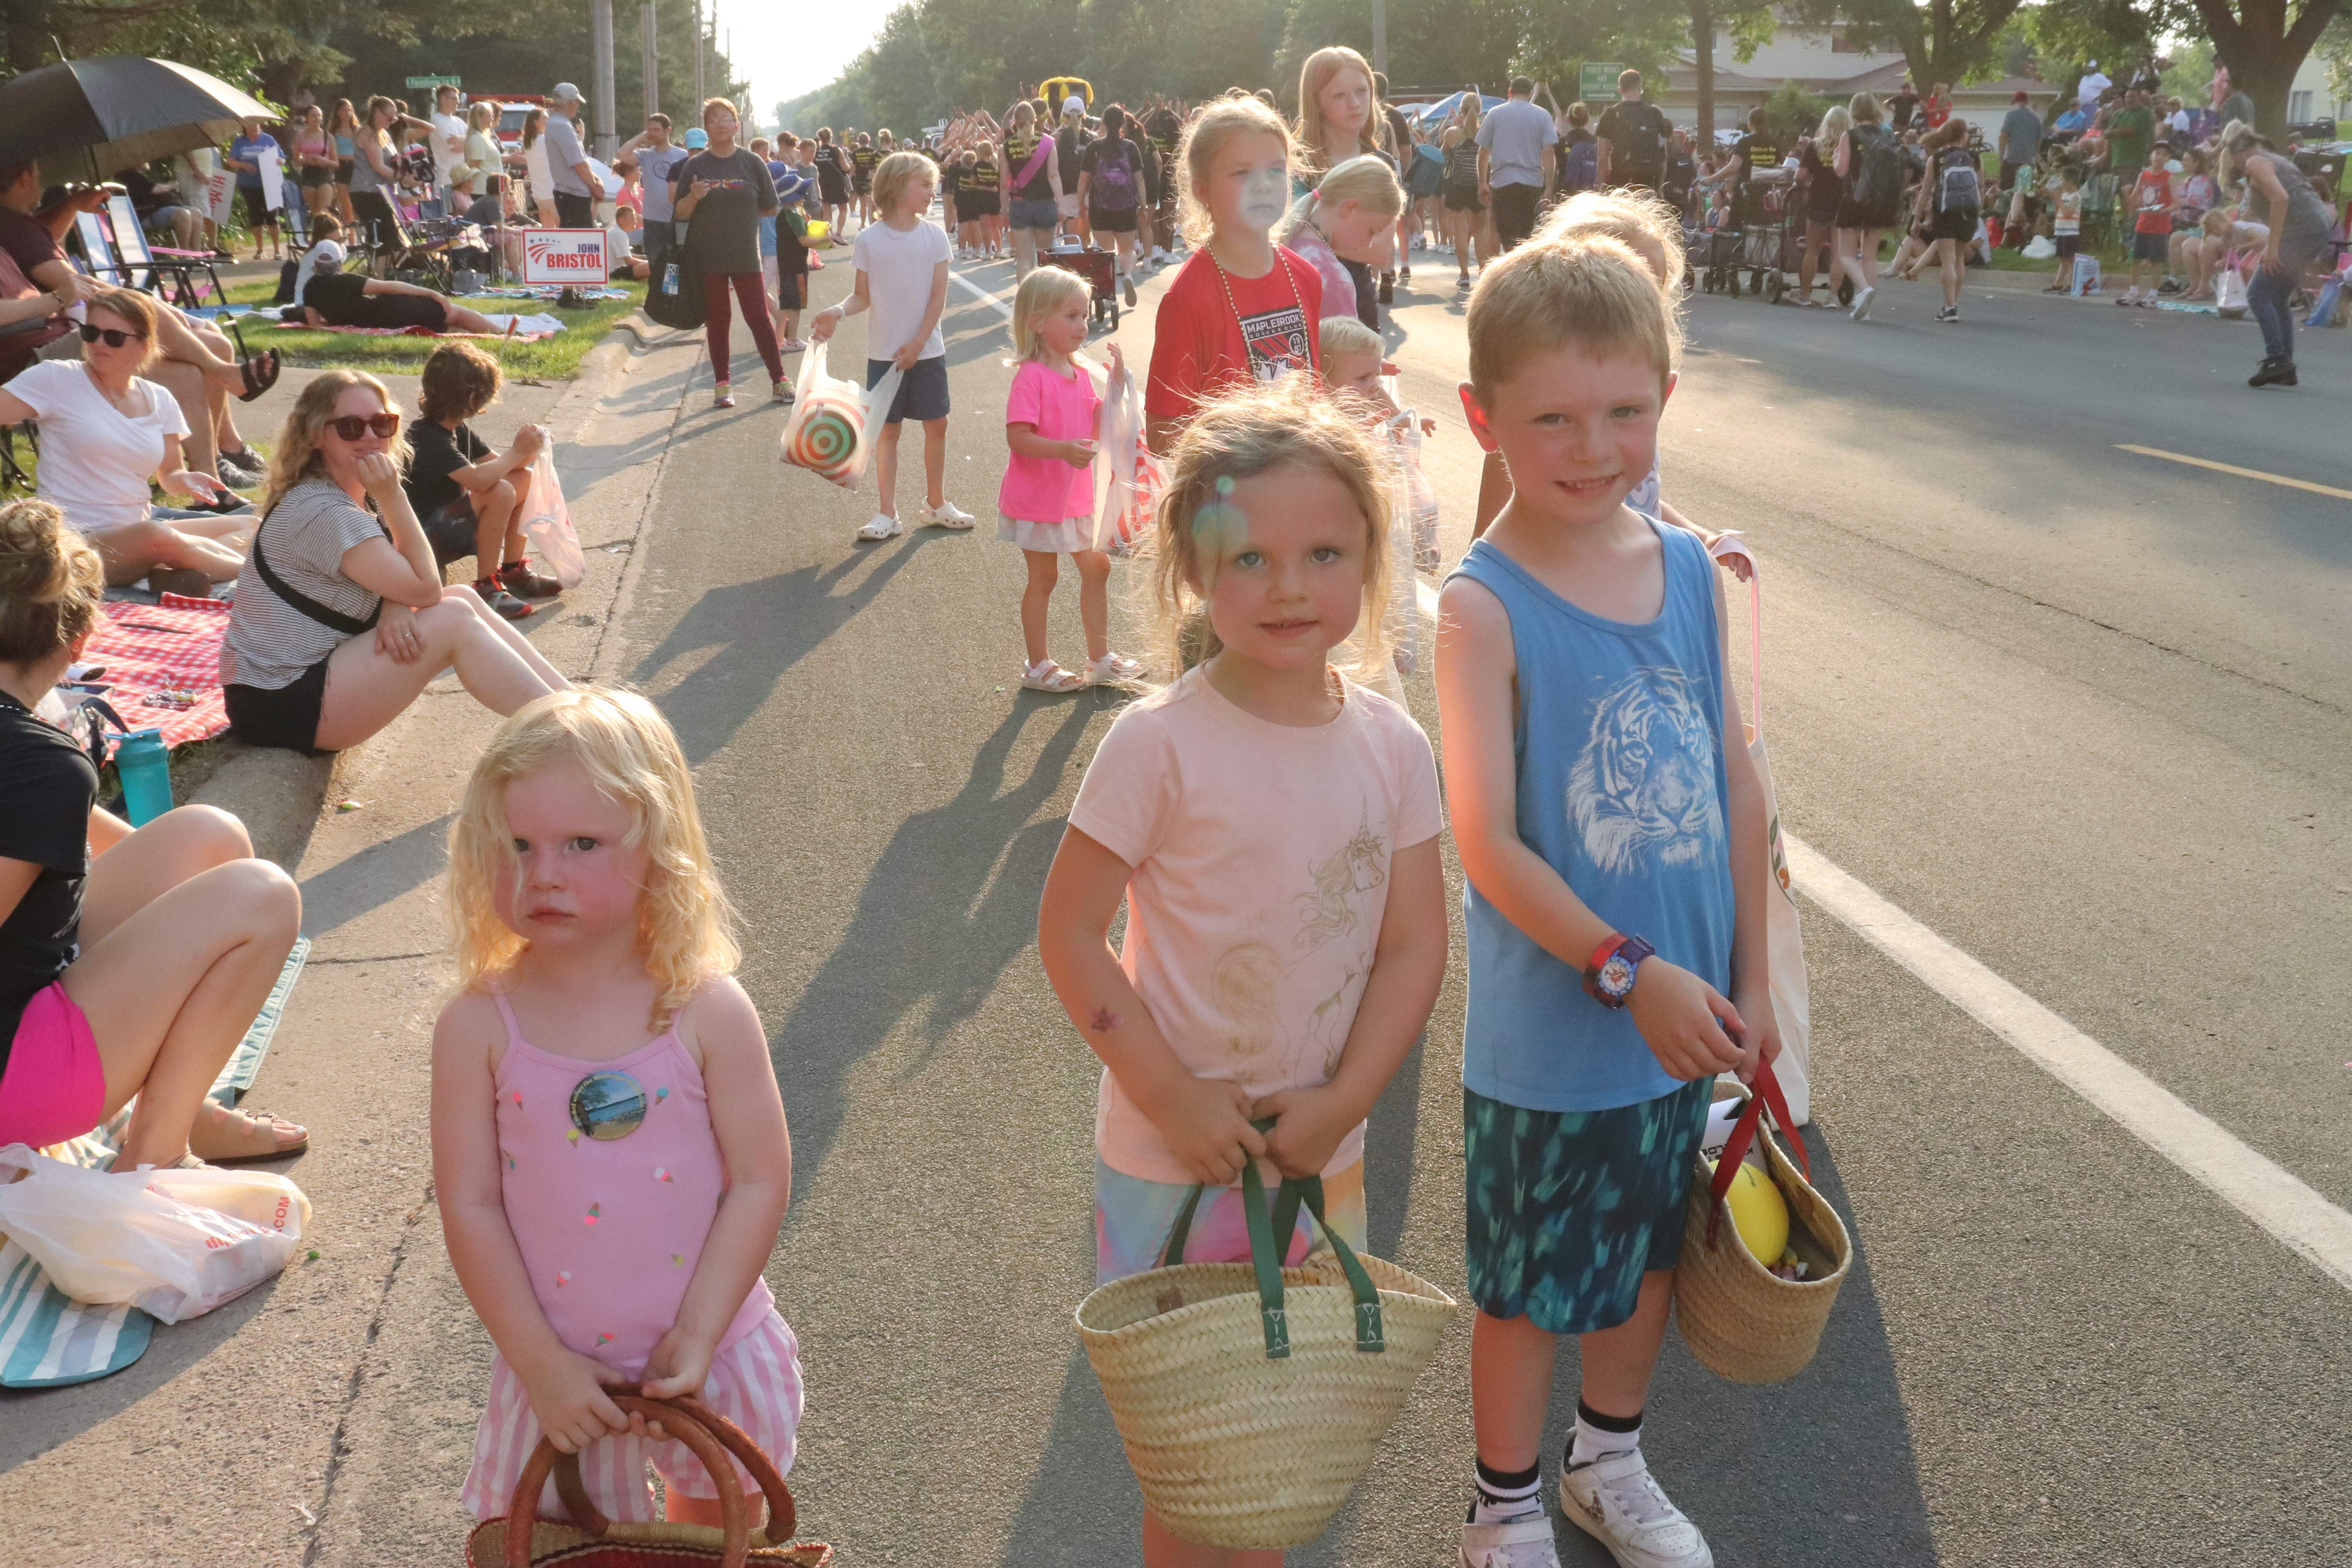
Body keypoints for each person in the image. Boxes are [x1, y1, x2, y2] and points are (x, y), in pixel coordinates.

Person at [1038, 381, 1445, 1568]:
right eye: (1249, 555)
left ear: (1369, 557)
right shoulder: (1155, 745)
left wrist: (1343, 1103)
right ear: (1191, 568)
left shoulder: (1390, 744)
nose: (1286, 584)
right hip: (1175, 1163)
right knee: (1195, 1460)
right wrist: (1170, 1094)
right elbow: (1068, 935)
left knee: (1285, 1438)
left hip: (1319, 1157)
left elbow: (1414, 943)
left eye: (1323, 551)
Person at [1439, 234, 1775, 1568]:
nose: (1595, 447)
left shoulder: (1687, 567)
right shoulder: (1483, 607)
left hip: (1689, 1022)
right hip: (1563, 1033)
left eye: (1625, 412)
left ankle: (1609, 1463)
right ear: (1485, 419)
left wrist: (1745, 986)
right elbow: (1488, 843)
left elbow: (1740, 782)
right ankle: (1505, 1501)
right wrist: (1637, 969)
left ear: (1667, 401)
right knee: (1529, 1291)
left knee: (1645, 1264)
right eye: (1554, 419)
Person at [437, 688, 802, 1532]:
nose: (543, 873)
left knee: (716, 1546)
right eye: (515, 845)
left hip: (708, 1352)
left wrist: (702, 1331)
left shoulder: (705, 1008)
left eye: (581, 844)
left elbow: (759, 1177)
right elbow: (472, 1203)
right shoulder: (477, 1025)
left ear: (659, 848)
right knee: (565, 1547)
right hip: (559, 1374)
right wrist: (541, 1365)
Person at [0, 498, 305, 1169]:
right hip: (18, 1083)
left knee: (209, 837)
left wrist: (180, 913)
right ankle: (153, 1159)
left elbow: (88, 841)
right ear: (81, 642)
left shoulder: (39, 766)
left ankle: (183, 1109)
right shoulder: (41, 764)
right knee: (262, 896)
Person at [221, 370, 570, 755]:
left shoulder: (351, 493)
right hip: (280, 701)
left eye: (382, 424)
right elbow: (425, 585)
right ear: (317, 435)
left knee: (461, 600)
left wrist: (395, 601)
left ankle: (575, 708)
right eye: (352, 427)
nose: (371, 437)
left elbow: (407, 569)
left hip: (303, 682)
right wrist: (393, 496)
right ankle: (573, 737)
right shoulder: (322, 510)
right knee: (451, 620)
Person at [0, 288, 252, 595]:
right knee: (156, 536)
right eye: (91, 332)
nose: (98, 344)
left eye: (114, 337)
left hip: (135, 531)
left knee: (253, 524)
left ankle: (165, 569)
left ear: (145, 345)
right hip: (72, 541)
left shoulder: (160, 398)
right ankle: (256, 575)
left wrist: (187, 480)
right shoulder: (56, 379)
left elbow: (169, 475)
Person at [808, 151, 974, 541]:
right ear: (899, 187)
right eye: (925, 185)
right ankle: (888, 513)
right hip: (884, 355)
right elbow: (861, 297)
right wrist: (836, 311)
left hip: (927, 351)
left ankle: (937, 503)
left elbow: (937, 299)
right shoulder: (869, 239)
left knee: (937, 423)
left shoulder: (934, 236)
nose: (932, 192)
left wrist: (918, 343)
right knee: (888, 431)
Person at [1143, 97, 1324, 454]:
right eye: (1242, 173)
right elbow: (1161, 436)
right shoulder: (1190, 298)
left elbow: (1314, 393)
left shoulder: (1306, 277)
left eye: (1276, 169)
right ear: (1202, 190)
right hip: (1226, 501)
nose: (1264, 185)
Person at [997, 269, 1140, 693]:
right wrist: (1062, 450)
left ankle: (1099, 658)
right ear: (1038, 322)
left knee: (1097, 568)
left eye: (1084, 315)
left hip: (1076, 498)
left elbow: (1097, 422)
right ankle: (1037, 666)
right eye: (1072, 316)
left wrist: (1115, 386)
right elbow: (1018, 436)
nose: (1083, 325)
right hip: (1039, 500)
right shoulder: (1031, 377)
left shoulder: (1079, 373)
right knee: (1044, 579)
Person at [402, 342, 561, 621]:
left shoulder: (456, 428)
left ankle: (512, 571)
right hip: (422, 541)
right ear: (474, 399)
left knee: (525, 480)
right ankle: (487, 587)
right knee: (499, 491)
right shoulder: (425, 437)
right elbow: (479, 481)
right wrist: (517, 452)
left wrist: (529, 449)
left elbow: (502, 465)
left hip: (447, 526)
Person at [673, 97, 789, 411]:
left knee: (758, 317)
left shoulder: (752, 163)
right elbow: (681, 213)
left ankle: (780, 379)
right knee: (719, 321)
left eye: (727, 119)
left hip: (744, 255)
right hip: (707, 257)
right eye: (714, 120)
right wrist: (695, 197)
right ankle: (722, 385)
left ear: (737, 126)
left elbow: (770, 206)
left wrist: (740, 217)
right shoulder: (695, 167)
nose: (721, 124)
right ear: (707, 128)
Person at [2219, 121, 2338, 386]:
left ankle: (2278, 359)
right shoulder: (2274, 159)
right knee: (2278, 296)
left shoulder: (2255, 163)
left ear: (2241, 153)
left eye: (2233, 159)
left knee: (2258, 294)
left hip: (2302, 231)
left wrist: (2272, 248)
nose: (2235, 166)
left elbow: (2281, 199)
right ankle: (2286, 365)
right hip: (2315, 229)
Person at [296, 212, 504, 334]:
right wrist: (433, 293)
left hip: (382, 322)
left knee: (446, 324)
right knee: (457, 314)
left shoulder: (311, 288)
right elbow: (391, 287)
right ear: (338, 261)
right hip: (392, 311)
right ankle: (506, 335)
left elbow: (315, 325)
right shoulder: (346, 280)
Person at [1276, 154, 1403, 330]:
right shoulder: (1335, 280)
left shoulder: (1283, 244)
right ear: (1350, 208)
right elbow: (1347, 355)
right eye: (1372, 231)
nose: (1369, 244)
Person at [1833, 91, 1901, 321]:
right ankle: (1866, 308)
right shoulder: (1887, 136)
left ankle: (1864, 290)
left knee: (1845, 254)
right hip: (1881, 201)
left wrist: (1835, 159)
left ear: (1854, 111)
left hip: (1854, 199)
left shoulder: (1849, 136)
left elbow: (1842, 171)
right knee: (1870, 256)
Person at [1080, 105, 1150, 309]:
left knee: (1106, 253)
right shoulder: (1131, 148)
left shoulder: (1094, 148)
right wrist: (1143, 206)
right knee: (1127, 249)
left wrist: (1080, 205)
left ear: (1103, 122)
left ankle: (1108, 294)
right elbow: (1139, 181)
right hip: (1126, 207)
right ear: (1123, 124)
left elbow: (1084, 181)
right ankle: (1128, 275)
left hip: (1100, 208)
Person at [1478, 77, 1557, 252]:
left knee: (1506, 236)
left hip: (1502, 182)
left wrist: (1482, 183)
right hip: (1532, 184)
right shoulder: (1543, 115)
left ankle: (1507, 271)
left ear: (1510, 93)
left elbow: (1484, 151)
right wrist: (1549, 187)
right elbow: (1549, 152)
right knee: (1528, 236)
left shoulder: (1495, 114)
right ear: (1530, 94)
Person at [1918, 118, 1982, 322]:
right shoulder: (1975, 158)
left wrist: (1916, 218)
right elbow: (1980, 189)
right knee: (1959, 259)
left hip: (1945, 212)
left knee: (1948, 261)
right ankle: (1952, 305)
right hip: (1969, 214)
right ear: (1965, 137)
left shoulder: (1936, 159)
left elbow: (1925, 192)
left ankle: (1950, 306)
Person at [1000, 99, 1065, 280]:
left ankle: (1026, 302)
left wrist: (1004, 210)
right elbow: (1054, 176)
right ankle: (1047, 299)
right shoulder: (1048, 142)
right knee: (1046, 258)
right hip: (1045, 204)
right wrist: (1062, 206)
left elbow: (1005, 183)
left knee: (1024, 260)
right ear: (1035, 119)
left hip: (1019, 206)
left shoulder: (1006, 146)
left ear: (1015, 121)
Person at [1792, 106, 1850, 306]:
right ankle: (1832, 296)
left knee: (1813, 250)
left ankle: (1805, 294)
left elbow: (1800, 176)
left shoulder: (1815, 146)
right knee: (1838, 253)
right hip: (1843, 201)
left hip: (1819, 200)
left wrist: (1804, 184)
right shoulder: (1849, 146)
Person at [615, 114, 687, 256]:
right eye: (650, 130)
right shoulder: (644, 155)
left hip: (676, 217)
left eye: (657, 130)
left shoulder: (682, 155)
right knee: (655, 264)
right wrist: (641, 137)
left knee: (677, 263)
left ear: (668, 131)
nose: (652, 134)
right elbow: (622, 155)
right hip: (653, 220)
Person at [2118, 140, 2175, 307]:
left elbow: (2176, 202)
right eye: (2157, 153)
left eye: (2164, 155)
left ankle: (2153, 294)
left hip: (2160, 225)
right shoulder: (2144, 176)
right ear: (2151, 156)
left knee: (2156, 261)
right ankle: (2134, 290)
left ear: (2168, 159)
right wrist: (2127, 194)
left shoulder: (2169, 178)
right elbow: (2135, 202)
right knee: (2136, 259)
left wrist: (2165, 210)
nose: (2159, 157)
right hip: (2144, 223)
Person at [1596, 69, 1672, 194]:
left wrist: (1601, 188)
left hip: (1621, 183)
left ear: (1620, 90)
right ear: (1640, 88)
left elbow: (1602, 158)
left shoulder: (1610, 115)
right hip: (1649, 184)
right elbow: (1663, 155)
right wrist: (1661, 190)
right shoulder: (1655, 114)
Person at [223, 120, 284, 261]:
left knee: (272, 216)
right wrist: (244, 165)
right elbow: (231, 161)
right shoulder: (240, 142)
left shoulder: (268, 139)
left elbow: (281, 157)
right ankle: (260, 250)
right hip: (249, 184)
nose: (255, 129)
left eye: (257, 126)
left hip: (269, 183)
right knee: (255, 216)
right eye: (252, 126)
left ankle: (277, 250)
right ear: (246, 128)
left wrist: (279, 161)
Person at [1441, 99, 1487, 287]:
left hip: (1458, 186)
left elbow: (1444, 153)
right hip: (1480, 185)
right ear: (1480, 110)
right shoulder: (1485, 132)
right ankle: (1484, 274)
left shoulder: (1453, 134)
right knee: (1480, 231)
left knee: (1461, 231)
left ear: (1461, 111)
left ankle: (1464, 274)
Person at [544, 83, 597, 229]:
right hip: (573, 197)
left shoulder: (555, 123)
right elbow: (579, 163)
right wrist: (595, 186)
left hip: (568, 195)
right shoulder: (562, 126)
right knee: (580, 244)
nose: (578, 106)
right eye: (577, 102)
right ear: (572, 103)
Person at [289, 106, 336, 226]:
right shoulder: (300, 136)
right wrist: (305, 160)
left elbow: (336, 163)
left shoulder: (328, 137)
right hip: (308, 174)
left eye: (319, 115)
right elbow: (295, 158)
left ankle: (327, 237)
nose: (317, 118)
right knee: (315, 213)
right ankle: (318, 239)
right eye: (314, 115)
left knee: (325, 212)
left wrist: (323, 161)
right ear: (307, 119)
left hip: (324, 173)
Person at [2046, 164, 2085, 293]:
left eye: (2063, 180)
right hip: (2061, 231)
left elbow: (2068, 213)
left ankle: (2071, 282)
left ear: (2070, 181)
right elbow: (2059, 212)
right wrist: (2058, 201)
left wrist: (2059, 200)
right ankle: (2058, 282)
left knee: (2070, 258)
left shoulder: (2076, 196)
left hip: (2070, 232)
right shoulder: (2064, 195)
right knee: (2063, 258)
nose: (2061, 183)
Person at [1997, 90, 2042, 195]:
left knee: (2007, 193)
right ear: (2027, 102)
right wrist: (2034, 156)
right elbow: (2039, 141)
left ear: (2016, 102)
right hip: (2028, 162)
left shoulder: (2011, 115)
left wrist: (2001, 159)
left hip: (2012, 160)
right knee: (2024, 194)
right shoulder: (2036, 119)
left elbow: (2003, 138)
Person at [519, 107, 555, 225]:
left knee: (548, 230)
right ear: (536, 123)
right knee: (561, 229)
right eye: (545, 118)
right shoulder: (545, 141)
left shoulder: (528, 143)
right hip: (552, 191)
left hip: (539, 193)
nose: (548, 120)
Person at [813, 128, 851, 237]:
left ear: (820, 138)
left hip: (822, 183)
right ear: (831, 137)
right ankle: (838, 234)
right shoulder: (836, 150)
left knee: (826, 210)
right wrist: (849, 166)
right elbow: (845, 167)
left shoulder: (816, 151)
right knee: (843, 209)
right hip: (837, 183)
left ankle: (828, 235)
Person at [326, 98, 359, 222]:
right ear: (338, 112)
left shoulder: (357, 130)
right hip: (340, 168)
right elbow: (331, 153)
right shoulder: (333, 132)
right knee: (346, 204)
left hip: (356, 168)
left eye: (350, 110)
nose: (348, 113)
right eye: (344, 110)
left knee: (356, 201)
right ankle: (350, 237)